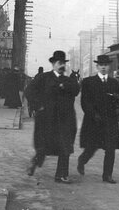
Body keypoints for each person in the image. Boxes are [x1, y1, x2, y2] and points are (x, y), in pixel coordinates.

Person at [24, 51, 80, 183]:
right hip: (47, 119)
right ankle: (35, 162)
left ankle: (61, 175)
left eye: (63, 63)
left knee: (65, 146)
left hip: (65, 119)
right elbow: (29, 91)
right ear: (53, 64)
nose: (62, 66)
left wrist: (63, 85)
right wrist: (38, 106)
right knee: (44, 145)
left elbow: (76, 90)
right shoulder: (44, 78)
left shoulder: (68, 80)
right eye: (59, 63)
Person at [78, 54, 119, 184]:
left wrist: (116, 100)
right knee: (92, 147)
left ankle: (107, 175)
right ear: (97, 67)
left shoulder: (115, 83)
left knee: (110, 148)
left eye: (106, 65)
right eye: (101, 65)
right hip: (94, 121)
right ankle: (82, 160)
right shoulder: (88, 82)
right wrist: (93, 114)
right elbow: (84, 102)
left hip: (110, 121)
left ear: (109, 67)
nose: (103, 67)